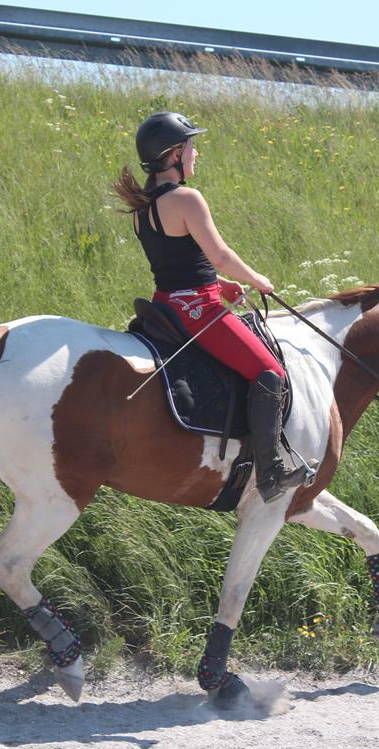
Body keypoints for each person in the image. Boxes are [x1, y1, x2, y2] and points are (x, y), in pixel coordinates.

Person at [112, 111, 310, 503]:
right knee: (270, 372)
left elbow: (176, 265)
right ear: (174, 155)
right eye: (191, 147)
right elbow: (219, 254)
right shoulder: (187, 199)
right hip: (198, 312)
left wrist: (219, 285)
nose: (196, 153)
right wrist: (257, 280)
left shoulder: (142, 210)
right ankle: (270, 473)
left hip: (167, 306)